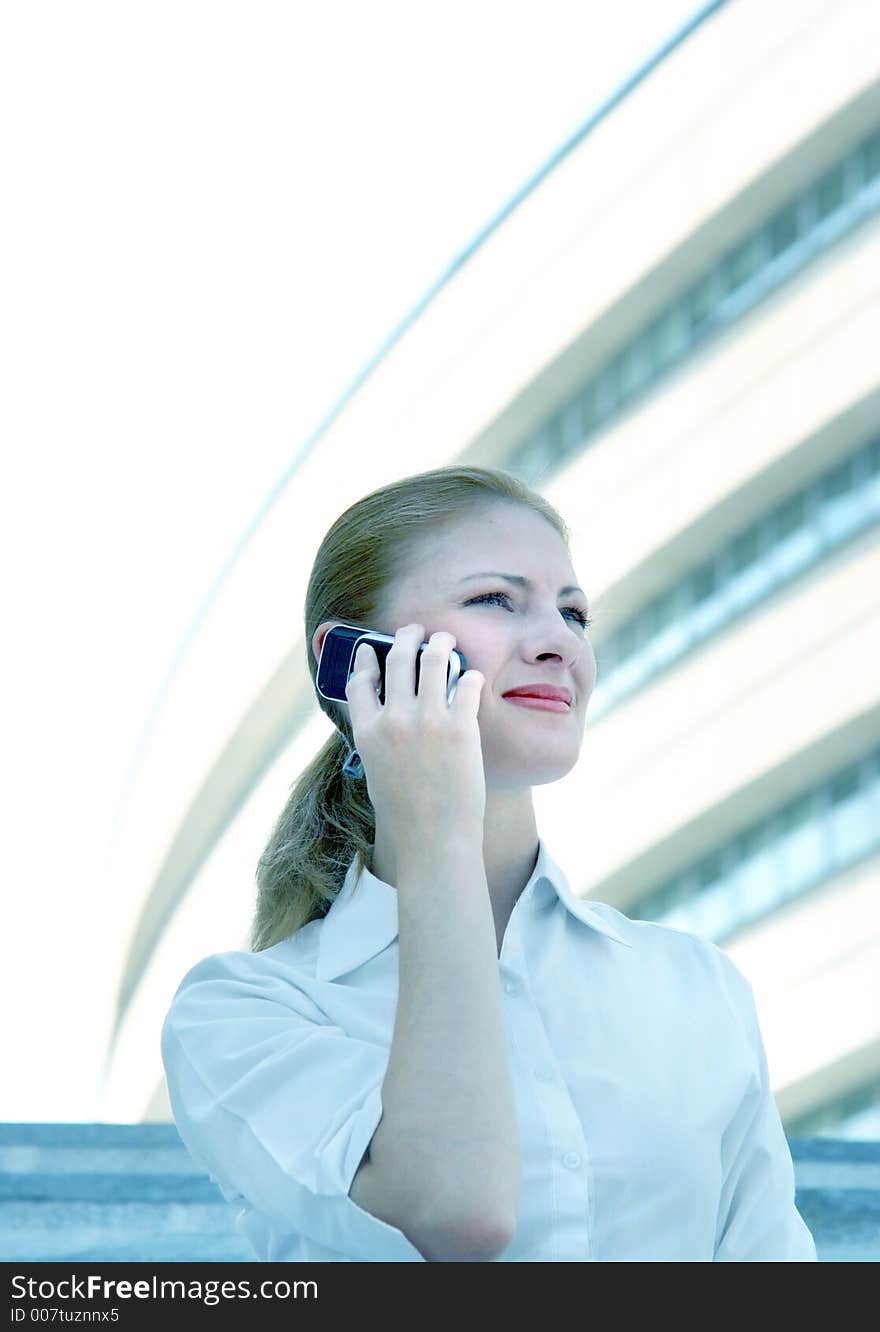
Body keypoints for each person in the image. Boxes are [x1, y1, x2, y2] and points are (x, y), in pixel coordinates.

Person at [160, 464, 818, 1262]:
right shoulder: (243, 1014)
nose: (558, 642)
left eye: (573, 613)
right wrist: (436, 828)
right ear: (356, 664)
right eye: (495, 601)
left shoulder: (696, 987)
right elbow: (455, 1213)